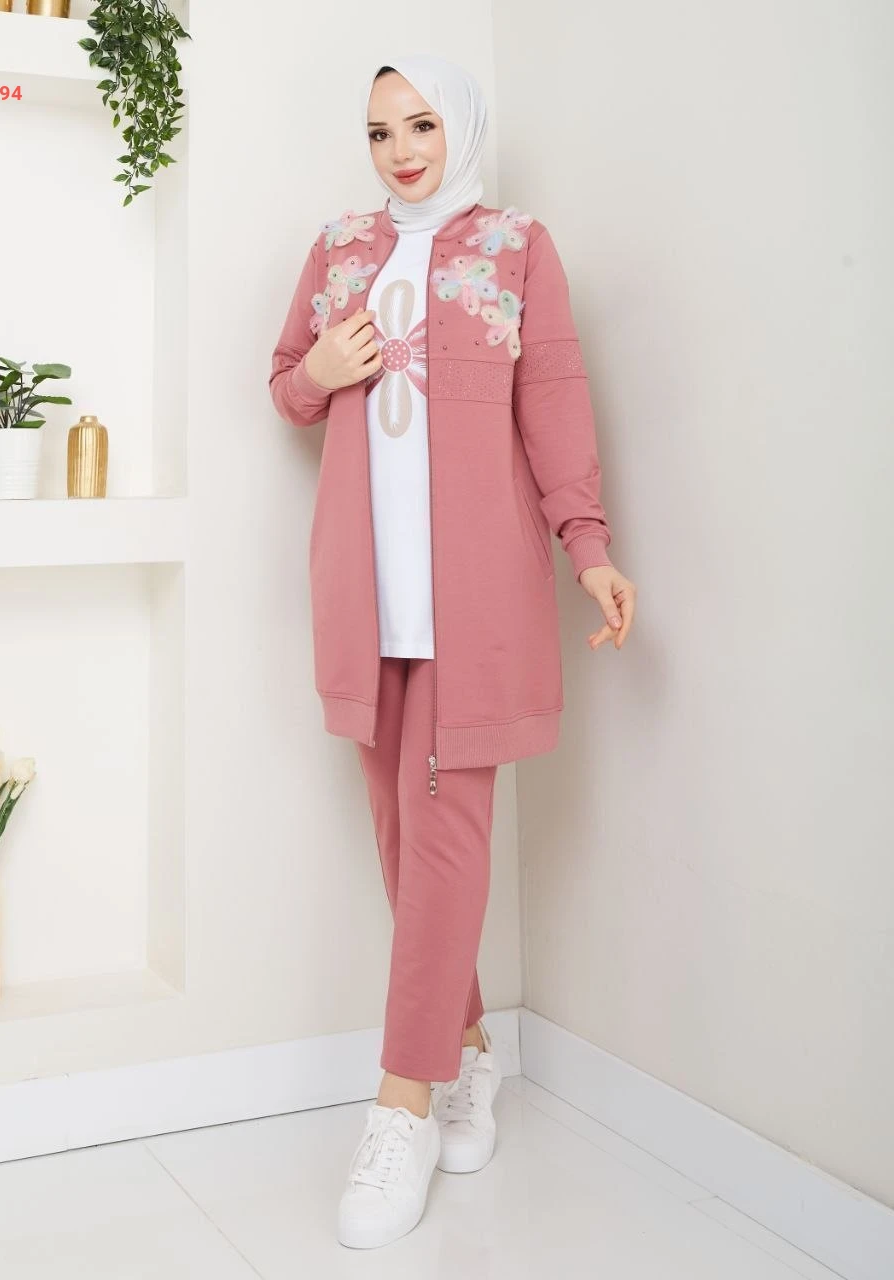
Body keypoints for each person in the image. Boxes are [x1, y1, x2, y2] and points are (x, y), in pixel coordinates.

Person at [269, 52, 637, 1250]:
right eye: (380, 131)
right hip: (364, 595)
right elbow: (285, 386)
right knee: (400, 837)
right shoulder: (338, 250)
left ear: (461, 127)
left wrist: (589, 546)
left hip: (471, 601)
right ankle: (469, 1046)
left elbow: (556, 402)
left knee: (445, 836)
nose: (401, 150)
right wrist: (319, 370)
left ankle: (402, 1105)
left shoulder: (518, 247)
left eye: (421, 124)